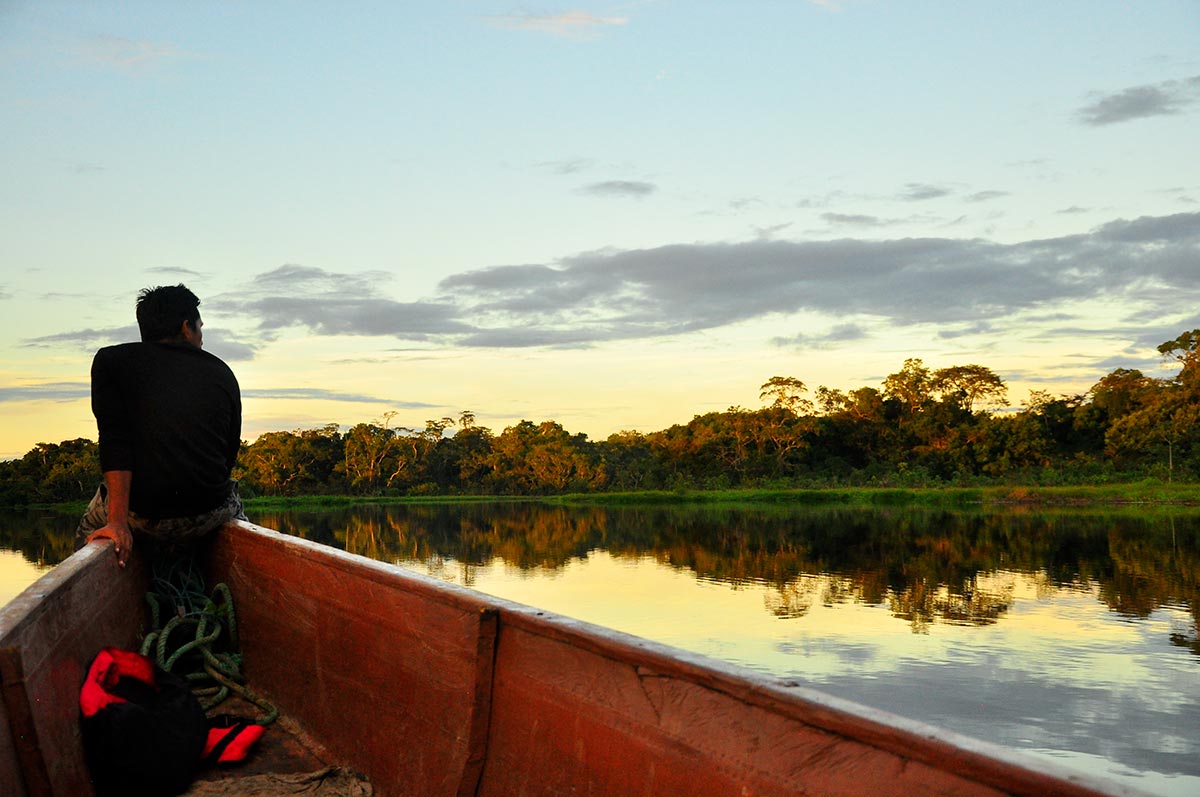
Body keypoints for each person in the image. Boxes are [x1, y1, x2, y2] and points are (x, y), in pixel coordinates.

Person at [77, 285, 244, 567]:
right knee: (236, 507)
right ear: (186, 328)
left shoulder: (111, 362)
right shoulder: (222, 371)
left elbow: (115, 441)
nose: (201, 336)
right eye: (200, 327)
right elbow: (229, 454)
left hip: (139, 517)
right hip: (210, 514)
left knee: (87, 527)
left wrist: (116, 523)